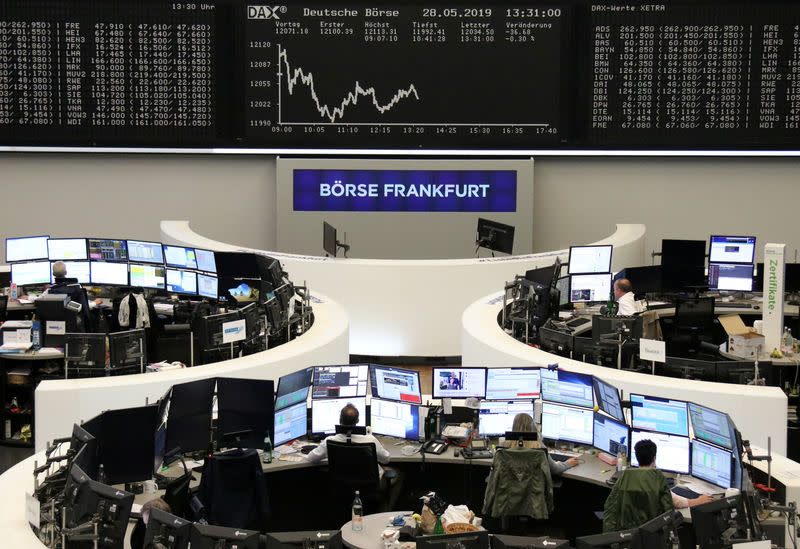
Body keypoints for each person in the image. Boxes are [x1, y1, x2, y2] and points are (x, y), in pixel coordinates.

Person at [602, 439, 712, 532]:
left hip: (626, 536)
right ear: (654, 459)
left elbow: (610, 507)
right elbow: (673, 504)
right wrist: (698, 501)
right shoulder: (657, 478)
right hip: (652, 535)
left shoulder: (625, 476)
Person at [305, 403, 390, 478]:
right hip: (369, 484)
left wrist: (329, 453)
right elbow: (386, 459)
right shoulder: (371, 440)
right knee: (399, 474)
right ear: (358, 421)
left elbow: (310, 458)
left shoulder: (329, 441)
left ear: (340, 420)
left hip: (342, 485)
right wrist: (382, 449)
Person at [503, 413, 579, 476]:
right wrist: (567, 464)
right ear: (532, 426)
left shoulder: (504, 446)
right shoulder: (538, 446)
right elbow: (555, 469)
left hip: (509, 491)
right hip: (534, 492)